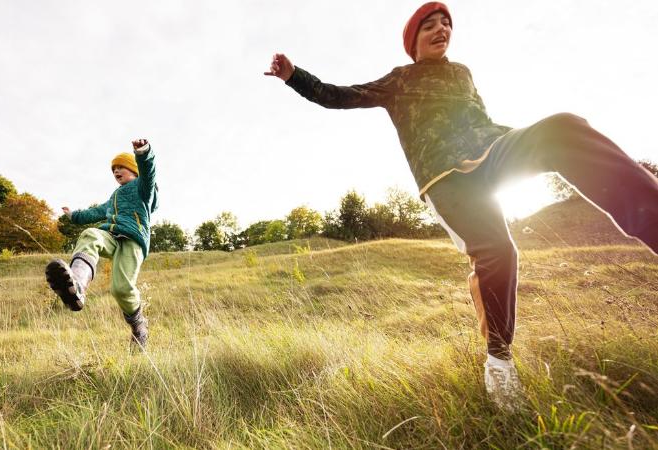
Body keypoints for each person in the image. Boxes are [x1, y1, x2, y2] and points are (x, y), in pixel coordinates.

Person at [264, 2, 658, 410]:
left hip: (490, 152)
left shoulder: (462, 73)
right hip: (446, 179)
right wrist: (294, 76)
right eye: (430, 25)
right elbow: (340, 96)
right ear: (412, 40)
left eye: (447, 24)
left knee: (564, 126)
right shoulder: (400, 80)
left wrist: (536, 143)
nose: (442, 30)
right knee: (498, 252)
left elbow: (480, 120)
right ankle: (499, 365)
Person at [45, 138, 158, 349]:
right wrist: (73, 216)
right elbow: (94, 212)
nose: (116, 171)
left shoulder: (142, 188)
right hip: (112, 236)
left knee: (121, 289)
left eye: (121, 167)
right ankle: (77, 283)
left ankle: (138, 324)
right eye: (113, 169)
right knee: (91, 234)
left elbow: (149, 172)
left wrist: (143, 153)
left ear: (133, 169)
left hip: (133, 239)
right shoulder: (113, 197)